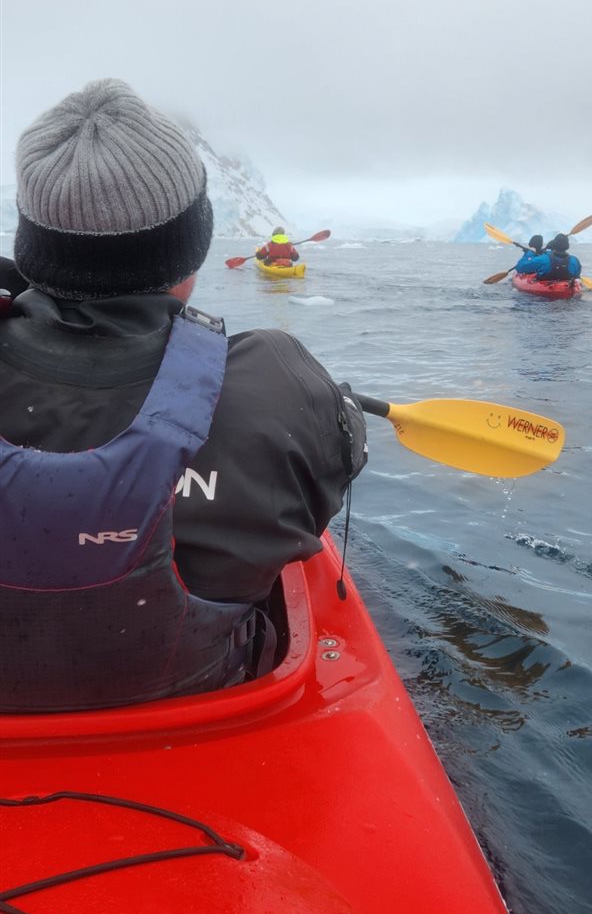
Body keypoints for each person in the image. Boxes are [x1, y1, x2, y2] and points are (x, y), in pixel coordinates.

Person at [0, 79, 367, 713]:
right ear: (191, 247)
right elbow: (338, 469)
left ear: (32, 247)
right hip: (189, 711)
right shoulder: (276, 384)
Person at [515, 233, 582, 280]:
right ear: (567, 246)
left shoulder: (543, 258)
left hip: (544, 292)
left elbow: (520, 267)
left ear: (554, 245)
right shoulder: (575, 260)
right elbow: (577, 276)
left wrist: (530, 253)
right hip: (567, 289)